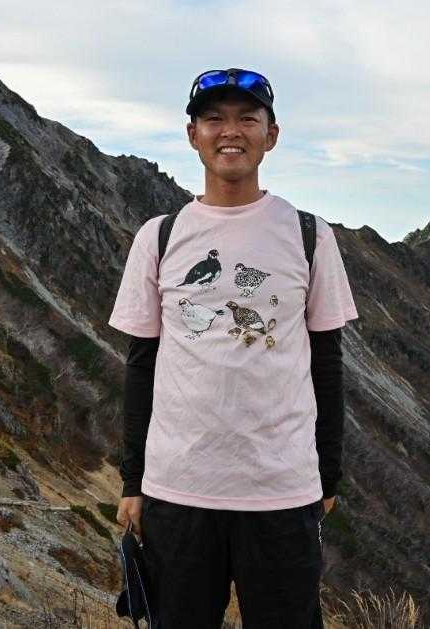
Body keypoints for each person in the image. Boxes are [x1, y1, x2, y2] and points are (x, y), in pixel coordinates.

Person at [110, 68, 358, 627]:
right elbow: (141, 365)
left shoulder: (309, 234)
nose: (231, 131)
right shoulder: (159, 236)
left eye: (248, 118)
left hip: (282, 491)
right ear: (192, 134)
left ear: (271, 135)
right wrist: (133, 481)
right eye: (214, 119)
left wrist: (327, 476)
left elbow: (327, 361)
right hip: (178, 490)